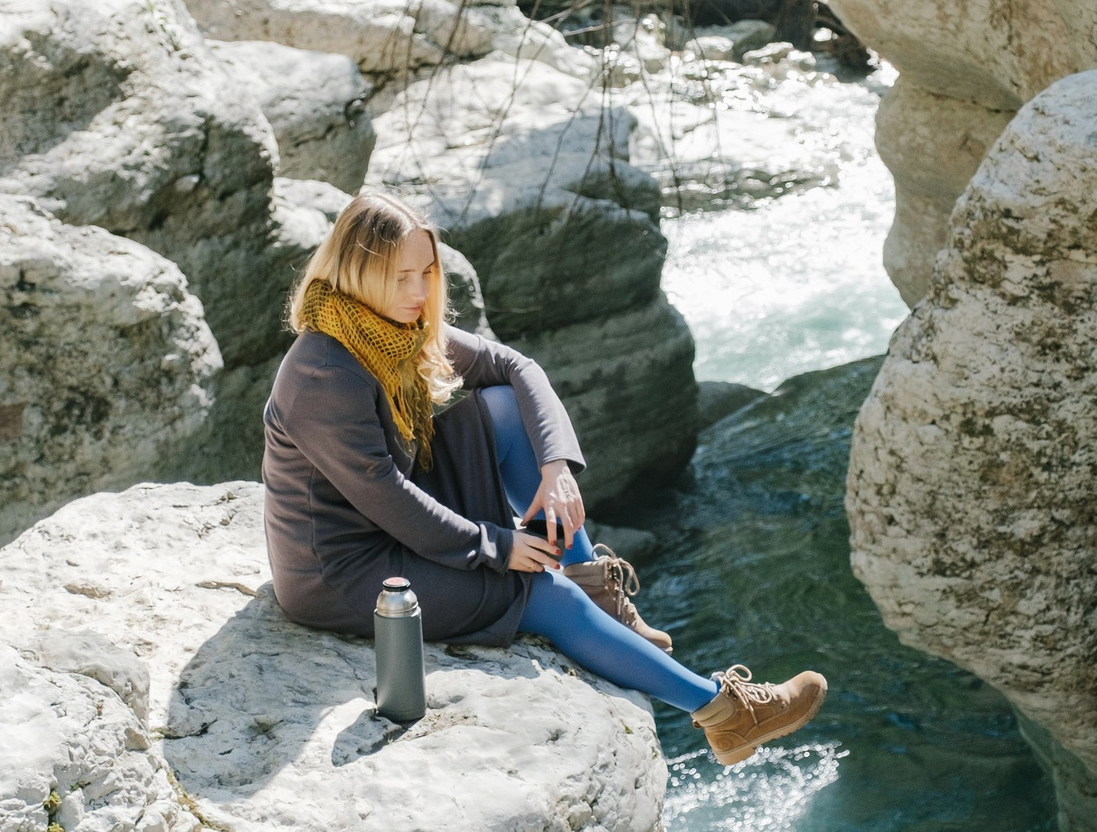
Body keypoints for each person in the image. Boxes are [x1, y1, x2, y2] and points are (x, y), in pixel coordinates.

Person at [262, 188, 827, 765]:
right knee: (542, 593)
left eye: (427, 272)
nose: (420, 292)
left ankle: (595, 591)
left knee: (505, 408)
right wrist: (497, 546)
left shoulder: (390, 328)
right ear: (357, 273)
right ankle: (726, 715)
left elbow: (515, 366)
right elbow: (386, 495)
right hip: (343, 569)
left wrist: (556, 470)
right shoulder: (324, 373)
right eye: (401, 277)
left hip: (390, 519)